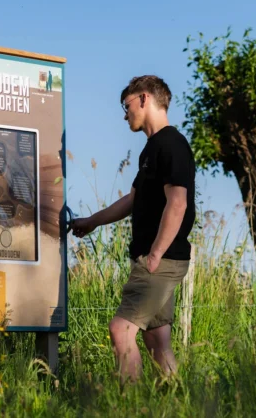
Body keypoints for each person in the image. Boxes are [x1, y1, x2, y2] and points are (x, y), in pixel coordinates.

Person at [70, 75, 196, 382]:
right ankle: (179, 406)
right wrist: (91, 221)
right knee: (156, 339)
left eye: (126, 106)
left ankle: (128, 407)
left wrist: (154, 255)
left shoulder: (172, 145)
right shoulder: (151, 150)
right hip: (160, 260)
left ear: (144, 98)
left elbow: (177, 203)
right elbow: (133, 199)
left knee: (121, 330)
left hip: (160, 260)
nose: (125, 114)